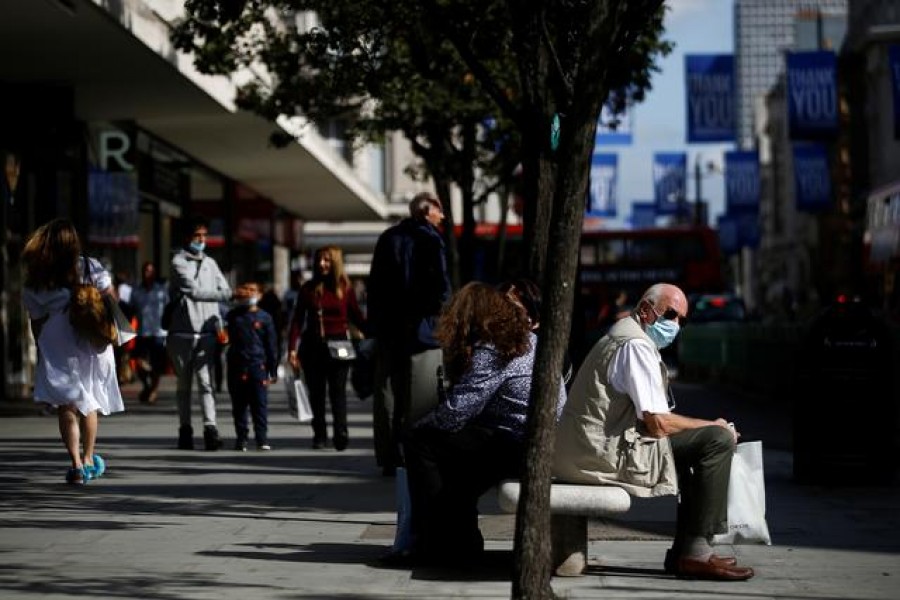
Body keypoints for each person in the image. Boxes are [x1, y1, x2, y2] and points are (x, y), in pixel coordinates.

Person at [553, 282, 755, 581]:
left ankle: (687, 553)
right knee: (717, 441)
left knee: (697, 445)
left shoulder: (625, 335)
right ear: (646, 310)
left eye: (681, 320)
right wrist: (714, 425)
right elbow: (658, 424)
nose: (675, 325)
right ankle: (697, 552)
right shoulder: (635, 346)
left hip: (586, 448)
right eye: (670, 314)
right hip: (598, 454)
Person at [397, 282, 567, 566]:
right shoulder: (527, 339)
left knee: (419, 442)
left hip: (518, 443)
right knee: (457, 465)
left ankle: (433, 541)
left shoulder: (496, 348)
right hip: (535, 439)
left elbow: (457, 411)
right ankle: (459, 543)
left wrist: (420, 425)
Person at [21, 218, 124, 484]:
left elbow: (35, 317)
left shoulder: (38, 275)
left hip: (56, 336)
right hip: (88, 334)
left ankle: (76, 464)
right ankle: (89, 459)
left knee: (67, 404)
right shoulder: (90, 266)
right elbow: (111, 297)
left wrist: (42, 344)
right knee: (88, 400)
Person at [368, 192, 452, 475]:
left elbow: (375, 287)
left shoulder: (387, 238)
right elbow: (441, 287)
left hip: (389, 330)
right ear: (428, 212)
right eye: (440, 210)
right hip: (423, 331)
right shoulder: (431, 240)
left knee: (388, 393)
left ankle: (388, 456)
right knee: (422, 396)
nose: (443, 216)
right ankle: (414, 453)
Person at [288, 245, 366, 451]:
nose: (322, 264)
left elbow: (356, 316)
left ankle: (341, 432)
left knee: (338, 392)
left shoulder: (345, 288)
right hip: (313, 347)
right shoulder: (308, 288)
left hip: (339, 346)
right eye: (319, 260)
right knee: (317, 393)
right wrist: (291, 349)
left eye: (327, 260)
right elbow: (297, 320)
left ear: (335, 263)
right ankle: (319, 435)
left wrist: (374, 331)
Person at [166, 217, 234, 451]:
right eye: (198, 236)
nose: (202, 240)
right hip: (182, 333)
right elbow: (194, 292)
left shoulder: (210, 263)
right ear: (188, 238)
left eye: (204, 236)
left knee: (206, 383)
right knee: (184, 385)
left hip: (206, 332)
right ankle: (185, 429)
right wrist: (224, 295)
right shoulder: (178, 262)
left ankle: (210, 428)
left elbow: (224, 288)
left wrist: (220, 320)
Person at [225, 282, 279, 451]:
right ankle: (241, 438)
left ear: (260, 295)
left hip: (258, 366)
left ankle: (261, 439)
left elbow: (271, 346)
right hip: (236, 365)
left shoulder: (265, 317)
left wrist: (272, 369)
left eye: (253, 290)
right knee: (239, 405)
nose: (249, 293)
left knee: (259, 404)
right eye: (246, 289)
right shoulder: (232, 316)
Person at [130, 261, 169, 404]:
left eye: (151, 271)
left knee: (157, 366)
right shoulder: (136, 291)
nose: (148, 274)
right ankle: (146, 385)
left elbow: (168, 309)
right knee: (139, 362)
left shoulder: (161, 290)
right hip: (142, 332)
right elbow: (131, 309)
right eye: (146, 271)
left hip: (159, 332)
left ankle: (153, 390)